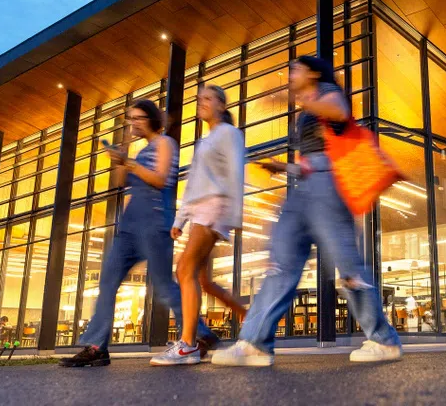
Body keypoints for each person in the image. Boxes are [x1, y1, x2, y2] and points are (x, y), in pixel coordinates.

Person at [212, 55, 402, 367]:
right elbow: (311, 158)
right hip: (305, 187)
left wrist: (306, 101)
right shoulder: (309, 105)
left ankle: (382, 339)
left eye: (295, 70)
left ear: (312, 73)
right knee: (280, 264)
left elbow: (340, 113)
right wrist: (282, 166)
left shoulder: (326, 91)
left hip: (329, 187)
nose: (289, 76)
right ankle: (254, 343)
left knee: (348, 267)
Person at [60, 99, 216, 367]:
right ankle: (97, 347)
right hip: (129, 227)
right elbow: (121, 183)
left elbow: (159, 179)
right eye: (130, 119)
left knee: (165, 287)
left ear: (151, 119)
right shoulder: (139, 150)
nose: (133, 123)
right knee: (107, 282)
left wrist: (129, 162)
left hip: (155, 223)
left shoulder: (165, 143)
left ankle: (201, 334)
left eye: (138, 118)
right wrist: (120, 158)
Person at [150, 86, 246, 365]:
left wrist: (234, 216)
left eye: (207, 98)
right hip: (201, 208)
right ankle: (250, 319)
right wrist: (181, 218)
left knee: (184, 269)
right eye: (198, 98)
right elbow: (193, 184)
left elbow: (236, 172)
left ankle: (188, 345)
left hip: (214, 207)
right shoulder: (205, 141)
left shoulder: (229, 134)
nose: (200, 102)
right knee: (201, 279)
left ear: (221, 105)